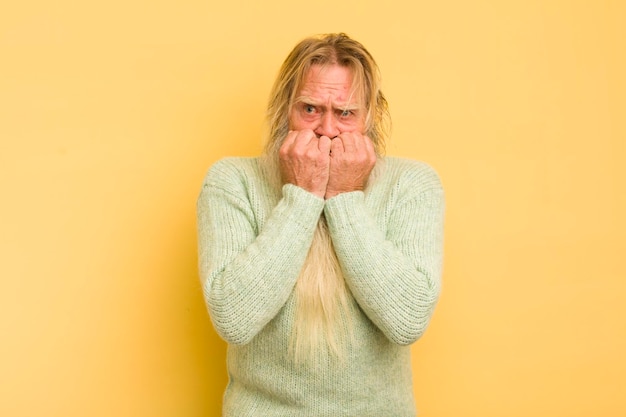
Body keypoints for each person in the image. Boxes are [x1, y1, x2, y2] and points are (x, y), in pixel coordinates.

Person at [197, 33, 445, 416]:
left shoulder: (412, 184)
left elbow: (407, 320)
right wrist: (303, 196)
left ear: (370, 118)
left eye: (345, 114)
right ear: (284, 110)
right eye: (310, 109)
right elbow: (234, 319)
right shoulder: (233, 181)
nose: (327, 130)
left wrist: (345, 198)